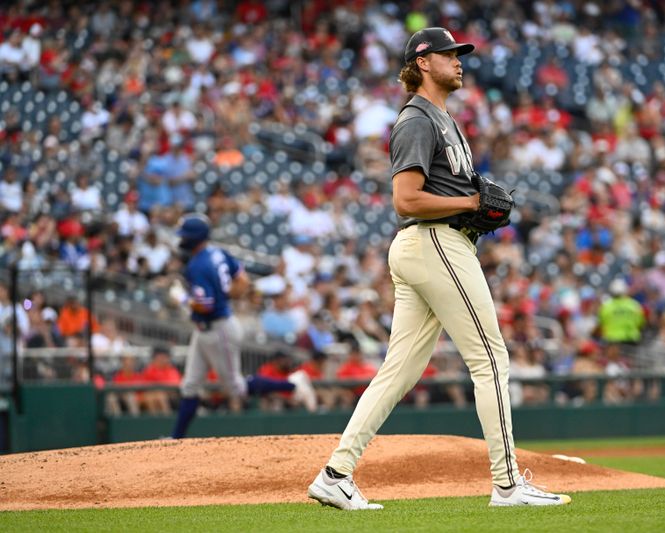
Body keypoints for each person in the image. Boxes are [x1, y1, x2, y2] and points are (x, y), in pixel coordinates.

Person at [308, 28, 571, 511]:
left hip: (434, 244)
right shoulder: (416, 119)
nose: (459, 61)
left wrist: (470, 205)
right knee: (490, 358)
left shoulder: (445, 118)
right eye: (450, 54)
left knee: (398, 372)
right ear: (423, 62)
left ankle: (335, 474)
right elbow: (404, 199)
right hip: (434, 241)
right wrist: (471, 200)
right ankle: (508, 484)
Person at [169, 214, 317, 439]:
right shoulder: (218, 252)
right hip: (206, 329)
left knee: (236, 388)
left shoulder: (197, 264)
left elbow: (205, 306)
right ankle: (176, 439)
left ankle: (293, 385)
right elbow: (242, 280)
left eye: (184, 236)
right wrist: (225, 296)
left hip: (218, 329)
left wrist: (180, 298)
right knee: (190, 385)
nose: (181, 240)